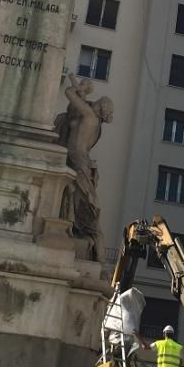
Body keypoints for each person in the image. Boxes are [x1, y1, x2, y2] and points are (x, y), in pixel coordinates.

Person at [54, 73, 114, 260]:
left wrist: (78, 89)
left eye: (95, 102)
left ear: (99, 106)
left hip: (76, 161)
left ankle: (98, 256)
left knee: (85, 214)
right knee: (82, 210)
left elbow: (68, 93)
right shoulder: (95, 124)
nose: (92, 102)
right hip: (82, 163)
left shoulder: (89, 115)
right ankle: (98, 258)